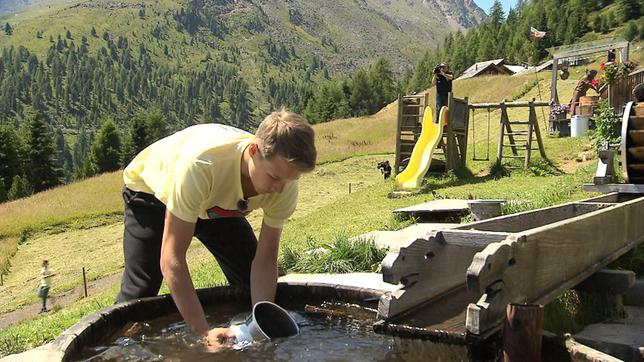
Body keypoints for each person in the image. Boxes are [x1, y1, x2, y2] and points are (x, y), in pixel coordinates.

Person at [116, 109, 316, 351]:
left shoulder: (283, 184)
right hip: (153, 194)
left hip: (215, 205)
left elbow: (264, 261)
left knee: (248, 284)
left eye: (289, 180)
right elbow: (172, 258)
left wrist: (262, 324)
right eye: (274, 177)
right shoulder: (202, 165)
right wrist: (202, 333)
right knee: (141, 290)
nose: (279, 188)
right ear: (253, 152)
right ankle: (119, 351)